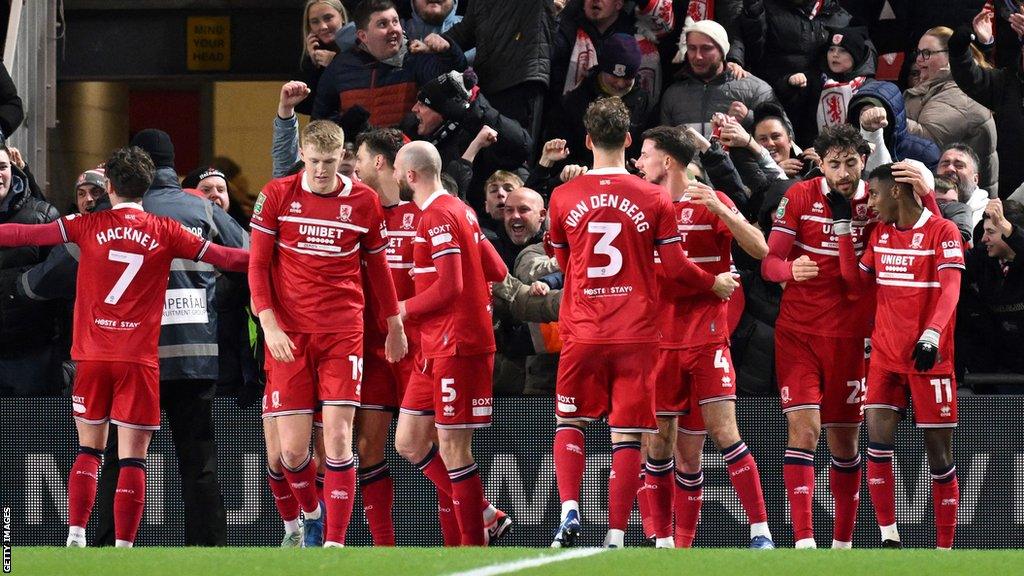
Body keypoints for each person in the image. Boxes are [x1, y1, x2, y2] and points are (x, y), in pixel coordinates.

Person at [0, 145, 248, 547]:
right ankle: (124, 549)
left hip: (92, 357)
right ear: (146, 185)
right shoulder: (165, 230)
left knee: (90, 451)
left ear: (109, 186)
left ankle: (76, 535)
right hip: (138, 360)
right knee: (134, 458)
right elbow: (228, 257)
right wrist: (285, 255)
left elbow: (26, 233)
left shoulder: (87, 224)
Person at [547, 97, 737, 549]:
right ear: (628, 139)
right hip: (638, 332)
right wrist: (714, 283)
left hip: (584, 328)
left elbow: (563, 260)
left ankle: (569, 509)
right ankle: (615, 535)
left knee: (569, 422)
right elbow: (674, 267)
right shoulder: (653, 196)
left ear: (588, 140)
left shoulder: (562, 196)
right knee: (628, 434)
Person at [249, 119, 407, 548]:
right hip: (290, 335)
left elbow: (378, 269)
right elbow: (257, 266)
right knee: (292, 454)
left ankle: (335, 545)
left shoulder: (363, 201)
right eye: (315, 160)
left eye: (330, 161)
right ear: (302, 153)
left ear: (345, 159)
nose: (321, 170)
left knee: (338, 439)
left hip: (343, 332)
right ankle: (313, 513)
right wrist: (269, 323)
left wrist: (393, 325)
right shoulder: (277, 195)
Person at [94, 129, 248, 547]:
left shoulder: (119, 212)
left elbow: (68, 269)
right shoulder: (201, 208)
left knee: (122, 457)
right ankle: (208, 550)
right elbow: (246, 256)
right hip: (196, 354)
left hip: (136, 354)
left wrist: (24, 288)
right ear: (174, 165)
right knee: (198, 461)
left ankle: (109, 547)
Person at [633, 125, 772, 549]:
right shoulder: (643, 208)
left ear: (668, 162)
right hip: (656, 343)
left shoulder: (707, 202)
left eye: (645, 153)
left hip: (707, 338)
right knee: (660, 448)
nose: (638, 162)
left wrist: (724, 210)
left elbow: (761, 250)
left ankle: (761, 532)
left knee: (723, 432)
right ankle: (665, 544)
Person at [835, 162, 964, 549]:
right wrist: (844, 233)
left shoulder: (944, 231)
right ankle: (889, 538)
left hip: (930, 359)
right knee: (876, 446)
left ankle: (944, 549)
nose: (870, 203)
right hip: (885, 359)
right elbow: (856, 283)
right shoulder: (880, 234)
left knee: (939, 458)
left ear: (895, 191)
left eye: (874, 193)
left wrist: (931, 336)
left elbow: (951, 292)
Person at [760, 124, 874, 549]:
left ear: (863, 159)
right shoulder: (799, 196)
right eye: (833, 164)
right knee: (804, 432)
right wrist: (790, 270)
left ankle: (842, 546)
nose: (842, 172)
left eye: (850, 163)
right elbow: (769, 262)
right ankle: (804, 542)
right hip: (799, 333)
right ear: (820, 164)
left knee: (844, 443)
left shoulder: (877, 200)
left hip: (851, 335)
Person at [394, 140, 509, 545]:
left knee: (454, 448)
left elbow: (451, 285)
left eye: (396, 170)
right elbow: (495, 268)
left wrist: (401, 308)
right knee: (408, 440)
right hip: (436, 347)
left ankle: (473, 552)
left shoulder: (436, 216)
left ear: (410, 176)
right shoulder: (461, 210)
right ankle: (485, 514)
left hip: (457, 344)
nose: (393, 176)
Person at [350, 127, 420, 546]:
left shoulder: (423, 213)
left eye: (358, 158)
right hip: (369, 351)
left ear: (379, 162)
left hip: (418, 351)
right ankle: (384, 551)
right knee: (368, 447)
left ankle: (468, 536)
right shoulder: (355, 216)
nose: (353, 167)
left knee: (434, 448)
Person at [312, 0, 466, 126]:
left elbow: (456, 80)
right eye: (382, 24)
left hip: (408, 157)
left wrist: (448, 51)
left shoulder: (416, 57)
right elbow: (320, 121)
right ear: (363, 36)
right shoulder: (340, 66)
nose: (393, 29)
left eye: (395, 21)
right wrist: (345, 132)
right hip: (358, 159)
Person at [904, 27, 997, 196]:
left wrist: (887, 114)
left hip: (963, 203)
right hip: (942, 193)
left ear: (950, 56)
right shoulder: (935, 87)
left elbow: (927, 140)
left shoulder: (961, 92)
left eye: (926, 53)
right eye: (918, 53)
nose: (918, 60)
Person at [660, 20, 782, 137]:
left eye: (706, 48)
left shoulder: (756, 89)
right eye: (692, 48)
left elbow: (786, 137)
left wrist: (748, 119)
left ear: (722, 51)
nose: (698, 56)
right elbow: (662, 146)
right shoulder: (673, 95)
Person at [296, 0, 350, 116]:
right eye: (315, 22)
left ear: (341, 16)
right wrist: (312, 64)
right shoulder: (311, 57)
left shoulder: (362, 46)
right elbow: (302, 106)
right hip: (324, 130)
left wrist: (335, 63)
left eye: (328, 18)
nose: (323, 26)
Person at [937, 144, 989, 228]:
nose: (950, 168)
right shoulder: (920, 205)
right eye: (945, 164)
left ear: (975, 179)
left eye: (959, 165)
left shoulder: (989, 215)